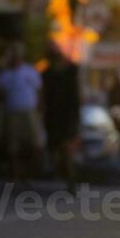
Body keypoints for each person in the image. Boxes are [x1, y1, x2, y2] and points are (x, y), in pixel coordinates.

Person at [0, 43, 43, 183]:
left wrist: (41, 110)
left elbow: (40, 91)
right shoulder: (6, 74)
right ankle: (16, 175)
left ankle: (26, 173)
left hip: (29, 112)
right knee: (13, 147)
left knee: (36, 145)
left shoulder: (30, 72)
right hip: (12, 113)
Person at [42, 43, 82, 187]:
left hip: (67, 114)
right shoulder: (47, 73)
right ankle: (65, 175)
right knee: (57, 149)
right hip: (54, 115)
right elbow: (44, 96)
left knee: (66, 148)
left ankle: (70, 178)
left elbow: (77, 95)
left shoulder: (71, 71)